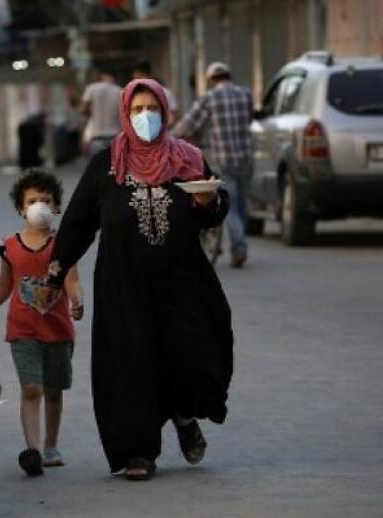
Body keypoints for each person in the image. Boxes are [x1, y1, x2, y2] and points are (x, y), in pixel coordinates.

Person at [39, 79, 234, 481]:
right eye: (138, 108)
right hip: (123, 286)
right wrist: (56, 273)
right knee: (131, 365)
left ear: (166, 111)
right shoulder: (107, 164)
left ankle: (183, 416)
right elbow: (77, 223)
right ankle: (137, 452)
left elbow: (213, 214)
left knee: (193, 356)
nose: (146, 116)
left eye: (153, 108)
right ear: (125, 114)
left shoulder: (189, 159)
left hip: (183, 282)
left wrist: (208, 202)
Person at [0, 170, 84, 477]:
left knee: (54, 389)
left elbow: (71, 280)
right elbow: (4, 287)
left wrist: (76, 300)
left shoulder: (65, 245)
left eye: (46, 200)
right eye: (32, 201)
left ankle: (51, 444)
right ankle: (32, 450)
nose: (39, 206)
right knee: (31, 388)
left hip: (59, 330)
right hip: (22, 331)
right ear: (21, 209)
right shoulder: (9, 246)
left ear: (57, 207)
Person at [174, 62, 254, 268]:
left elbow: (189, 125)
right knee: (242, 204)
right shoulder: (245, 94)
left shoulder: (209, 98)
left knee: (232, 205)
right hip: (246, 157)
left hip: (223, 158)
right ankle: (239, 245)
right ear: (229, 75)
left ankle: (239, 248)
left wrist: (171, 137)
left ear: (211, 80)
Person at [80, 68, 122, 157]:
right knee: (115, 168)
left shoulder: (91, 89)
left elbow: (83, 110)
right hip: (116, 137)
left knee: (98, 168)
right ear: (115, 77)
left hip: (97, 137)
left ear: (101, 76)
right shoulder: (120, 91)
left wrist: (94, 112)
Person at [131, 60, 179, 126]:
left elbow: (173, 115)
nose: (137, 81)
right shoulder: (133, 96)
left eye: (153, 107)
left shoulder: (165, 93)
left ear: (148, 75)